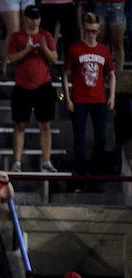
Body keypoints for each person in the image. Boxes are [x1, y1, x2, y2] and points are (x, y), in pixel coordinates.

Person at [63, 15, 116, 180]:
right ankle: (80, 174)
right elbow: (65, 74)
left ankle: (95, 173)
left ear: (98, 30)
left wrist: (112, 96)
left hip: (98, 99)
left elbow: (111, 74)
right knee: (79, 138)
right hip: (79, 99)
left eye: (93, 31)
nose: (91, 34)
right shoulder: (75, 49)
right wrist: (67, 98)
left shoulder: (104, 50)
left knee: (101, 138)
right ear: (83, 30)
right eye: (88, 31)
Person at [8, 6, 59, 173]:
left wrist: (44, 49)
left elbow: (54, 59)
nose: (34, 20)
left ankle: (46, 161)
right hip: (22, 87)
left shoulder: (46, 36)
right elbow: (12, 58)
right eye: (31, 17)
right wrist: (27, 50)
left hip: (43, 86)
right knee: (20, 125)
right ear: (25, 18)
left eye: (36, 17)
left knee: (45, 125)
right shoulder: (17, 37)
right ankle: (16, 162)